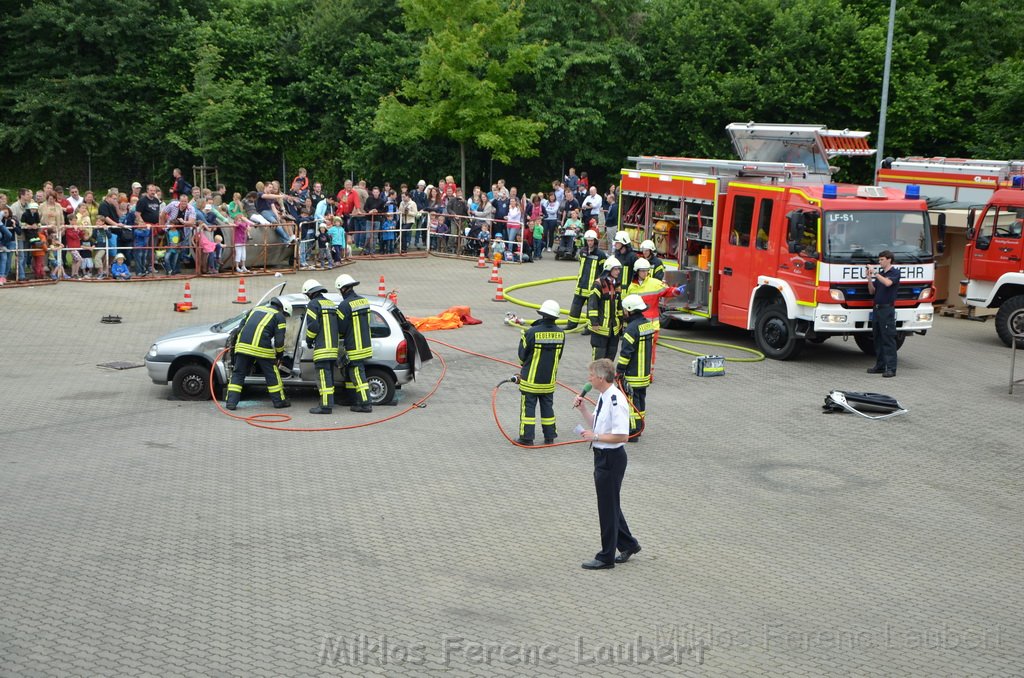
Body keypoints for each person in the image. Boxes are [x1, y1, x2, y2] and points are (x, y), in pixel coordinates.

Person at [572, 358, 641, 570]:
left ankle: (606, 557)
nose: (588, 378)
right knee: (610, 504)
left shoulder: (615, 400)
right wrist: (583, 411)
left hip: (611, 459)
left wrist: (595, 437)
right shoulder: (603, 396)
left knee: (607, 508)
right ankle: (628, 544)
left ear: (601, 378)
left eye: (591, 375)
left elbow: (622, 436)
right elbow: (598, 424)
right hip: (602, 457)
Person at [225, 296, 293, 410]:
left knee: (238, 374)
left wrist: (238, 343)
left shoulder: (256, 309)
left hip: (243, 347)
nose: (285, 317)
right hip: (262, 350)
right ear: (283, 309)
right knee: (272, 375)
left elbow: (241, 326)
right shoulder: (279, 316)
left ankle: (231, 403)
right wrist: (279, 355)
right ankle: (279, 401)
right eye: (286, 315)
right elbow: (279, 340)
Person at [514, 299, 565, 446]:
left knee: (528, 409)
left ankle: (526, 438)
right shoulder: (561, 334)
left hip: (530, 380)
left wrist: (524, 367)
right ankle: (550, 436)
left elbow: (521, 355)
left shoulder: (531, 332)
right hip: (549, 380)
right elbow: (559, 356)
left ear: (542, 314)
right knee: (547, 408)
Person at [617, 295, 655, 441]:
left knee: (631, 404)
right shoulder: (647, 324)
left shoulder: (631, 329)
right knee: (640, 401)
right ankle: (640, 427)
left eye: (625, 309)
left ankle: (633, 432)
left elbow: (626, 354)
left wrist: (619, 370)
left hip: (633, 374)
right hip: (644, 373)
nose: (623, 312)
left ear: (630, 311)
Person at [335, 274, 374, 413]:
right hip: (365, 345)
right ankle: (352, 399)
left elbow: (340, 328)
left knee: (357, 375)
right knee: (350, 373)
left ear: (344, 289)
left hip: (354, 347)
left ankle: (365, 404)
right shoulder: (364, 301)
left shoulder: (344, 305)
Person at [302, 279, 341, 414]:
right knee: (329, 377)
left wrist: (308, 340)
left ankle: (325, 406)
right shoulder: (330, 304)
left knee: (323, 378)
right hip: (333, 348)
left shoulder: (313, 304)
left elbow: (313, 326)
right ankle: (329, 402)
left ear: (310, 293)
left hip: (322, 348)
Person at [866, 250, 900, 378]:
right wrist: (869, 278)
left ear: (889, 259)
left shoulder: (894, 273)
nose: (879, 262)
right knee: (878, 338)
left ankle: (891, 368)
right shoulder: (880, 274)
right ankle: (880, 366)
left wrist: (875, 273)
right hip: (877, 309)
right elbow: (872, 291)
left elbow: (888, 283)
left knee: (888, 339)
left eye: (882, 260)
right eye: (879, 260)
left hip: (887, 310)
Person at [567, 230, 607, 332]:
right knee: (575, 306)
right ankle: (571, 324)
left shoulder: (600, 255)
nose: (589, 242)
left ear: (595, 241)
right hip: (581, 285)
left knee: (591, 308)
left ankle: (589, 327)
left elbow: (603, 271)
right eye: (588, 240)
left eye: (591, 240)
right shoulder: (582, 252)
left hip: (592, 287)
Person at [588, 256, 623, 360]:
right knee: (599, 356)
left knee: (610, 356)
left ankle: (607, 376)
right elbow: (592, 304)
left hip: (613, 329)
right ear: (609, 269)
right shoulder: (598, 284)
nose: (618, 272)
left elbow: (619, 305)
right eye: (615, 269)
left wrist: (621, 322)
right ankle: (596, 376)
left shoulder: (616, 284)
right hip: (600, 327)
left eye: (618, 269)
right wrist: (594, 322)